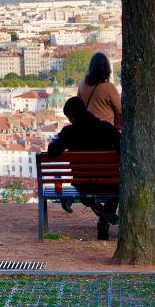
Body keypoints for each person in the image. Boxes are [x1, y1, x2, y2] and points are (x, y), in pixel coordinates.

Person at [48, 96, 121, 241]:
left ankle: (93, 204)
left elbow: (52, 151)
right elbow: (122, 148)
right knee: (117, 186)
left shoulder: (69, 132)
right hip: (109, 183)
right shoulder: (106, 128)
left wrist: (58, 139)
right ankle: (104, 220)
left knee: (82, 187)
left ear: (72, 117)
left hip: (82, 184)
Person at [76, 52, 122, 130]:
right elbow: (119, 110)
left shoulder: (82, 84)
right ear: (106, 68)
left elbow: (79, 105)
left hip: (87, 129)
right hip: (105, 130)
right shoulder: (109, 87)